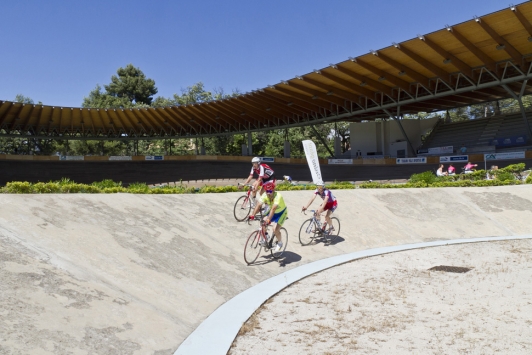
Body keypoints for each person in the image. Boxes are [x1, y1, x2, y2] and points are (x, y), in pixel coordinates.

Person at [248, 180, 286, 252]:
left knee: (275, 229)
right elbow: (258, 205)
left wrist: (268, 219)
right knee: (262, 222)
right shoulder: (265, 195)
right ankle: (266, 235)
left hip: (281, 213)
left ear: (273, 190)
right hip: (272, 211)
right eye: (267, 191)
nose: (268, 193)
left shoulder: (278, 196)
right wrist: (252, 215)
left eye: (270, 191)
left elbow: (273, 209)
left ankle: (280, 242)